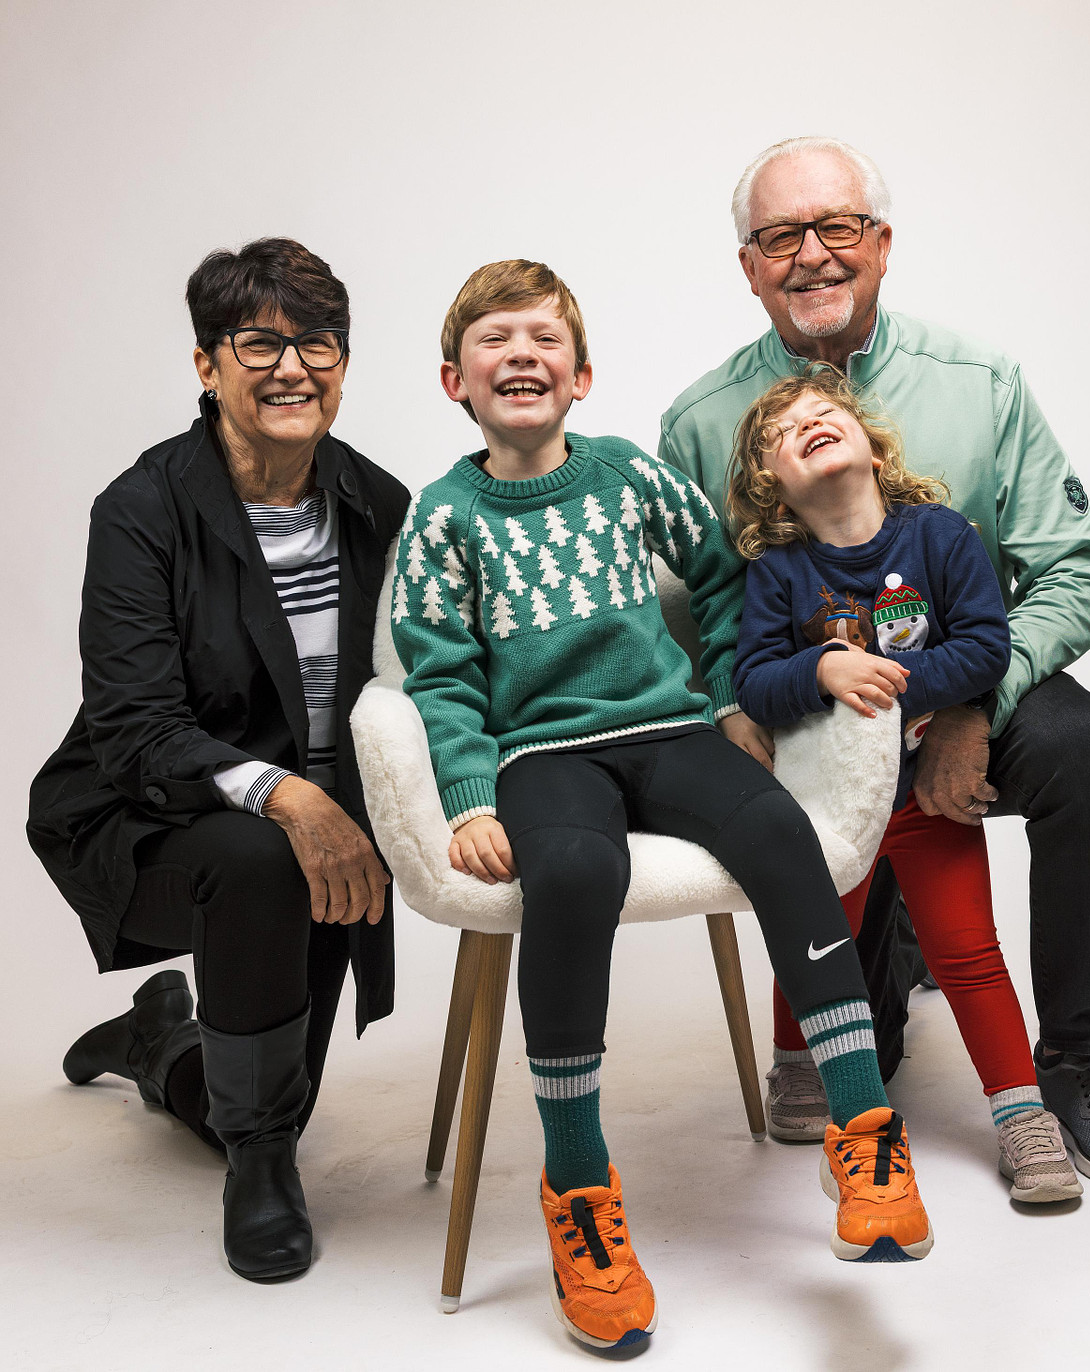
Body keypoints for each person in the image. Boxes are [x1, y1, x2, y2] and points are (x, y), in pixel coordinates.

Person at [393, 260, 934, 1351]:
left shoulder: (629, 474)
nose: (521, 357)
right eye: (494, 341)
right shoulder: (443, 518)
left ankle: (866, 1133)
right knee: (577, 874)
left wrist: (737, 692)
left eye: (544, 339)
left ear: (582, 375)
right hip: (542, 755)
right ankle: (580, 1192)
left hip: (669, 730)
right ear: (454, 378)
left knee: (782, 834)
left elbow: (727, 574)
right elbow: (437, 673)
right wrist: (463, 796)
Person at [659, 135, 1090, 1191]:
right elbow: (694, 612)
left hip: (963, 673)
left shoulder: (980, 385)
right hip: (811, 706)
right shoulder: (701, 424)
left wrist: (977, 705)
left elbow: (1075, 572)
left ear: (882, 244)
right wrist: (731, 709)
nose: (812, 255)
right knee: (851, 988)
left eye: (837, 227)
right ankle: (863, 1001)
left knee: (1086, 752)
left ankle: (1076, 1062)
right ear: (748, 265)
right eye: (780, 236)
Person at [27, 238, 410, 1281]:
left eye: (318, 342)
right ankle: (259, 1166)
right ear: (207, 365)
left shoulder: (380, 504)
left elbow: (418, 685)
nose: (294, 367)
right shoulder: (145, 510)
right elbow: (133, 725)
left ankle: (159, 1044)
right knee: (264, 1104)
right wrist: (291, 798)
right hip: (141, 816)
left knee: (278, 1089)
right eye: (260, 343)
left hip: (313, 841)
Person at [729, 367, 1082, 1202]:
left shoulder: (941, 538)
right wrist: (823, 665)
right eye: (786, 431)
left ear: (871, 444)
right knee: (816, 943)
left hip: (924, 796)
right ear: (770, 487)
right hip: (826, 808)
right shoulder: (780, 571)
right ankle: (797, 1070)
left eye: (826, 411)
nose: (810, 423)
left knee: (969, 952)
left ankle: (1022, 1114)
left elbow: (986, 649)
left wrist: (885, 676)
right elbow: (755, 682)